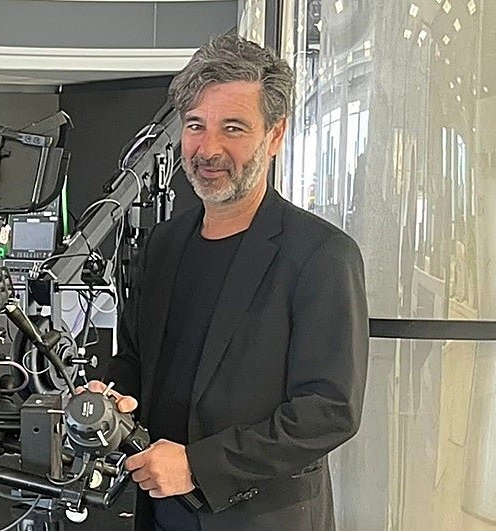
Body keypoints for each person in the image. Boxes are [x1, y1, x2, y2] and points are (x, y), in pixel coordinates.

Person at [87, 32, 369, 531]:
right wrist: (112, 398)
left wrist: (199, 467)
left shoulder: (321, 254)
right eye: (195, 125)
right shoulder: (163, 245)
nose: (208, 148)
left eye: (233, 128)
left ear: (275, 136)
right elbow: (133, 360)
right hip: (159, 511)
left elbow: (328, 411)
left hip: (262, 518)